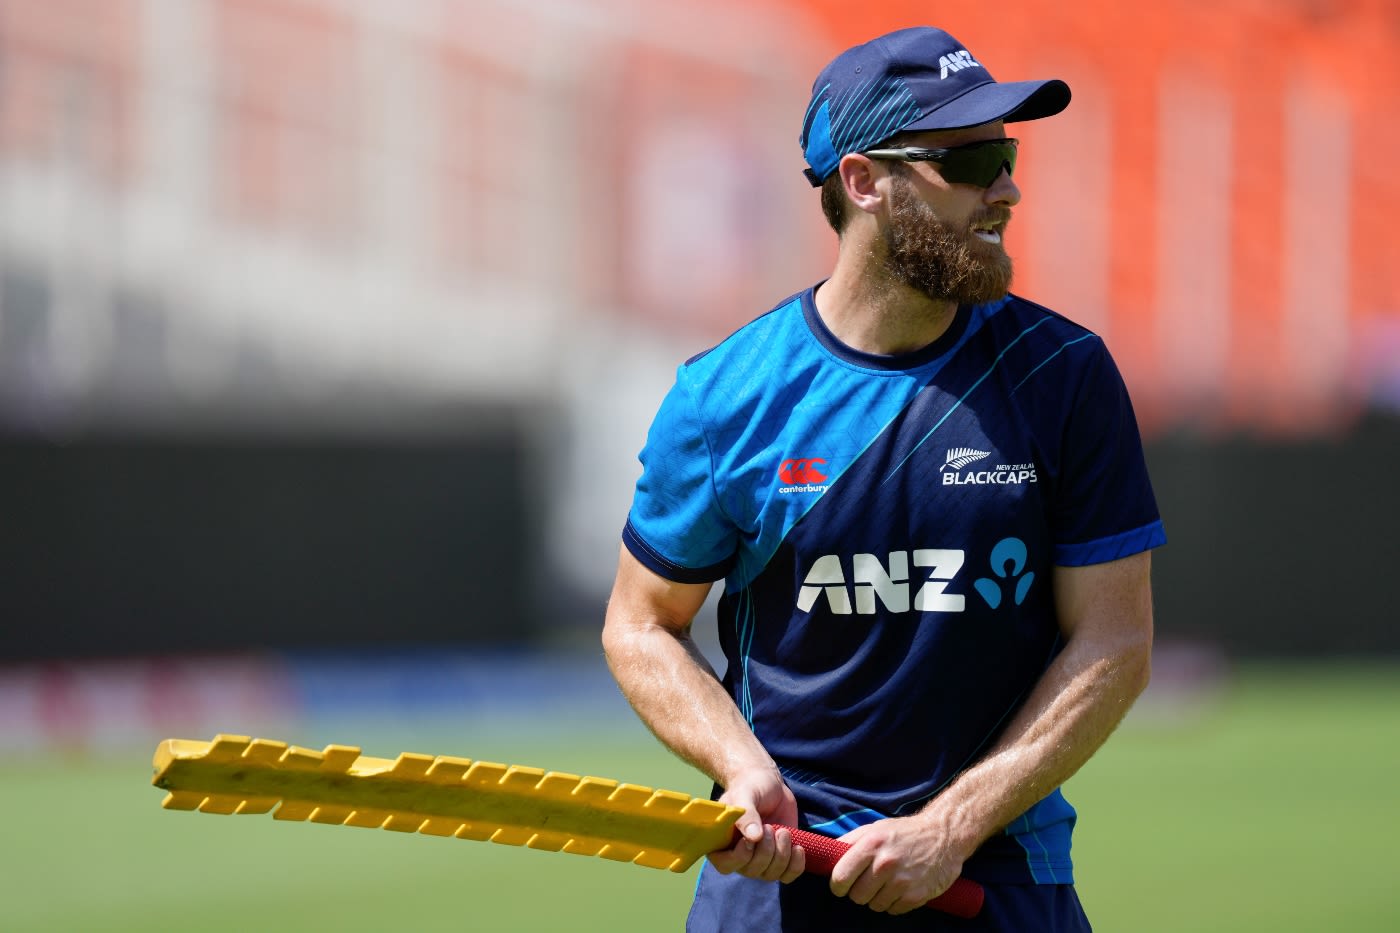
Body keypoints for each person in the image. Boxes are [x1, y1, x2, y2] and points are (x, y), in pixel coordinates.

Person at [601, 25, 1165, 932]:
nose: (1008, 187)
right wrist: (742, 771)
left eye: (1007, 153)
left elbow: (1116, 641)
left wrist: (950, 826)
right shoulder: (724, 397)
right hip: (778, 882)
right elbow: (639, 624)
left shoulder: (1064, 374)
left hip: (996, 877)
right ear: (865, 182)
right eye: (973, 159)